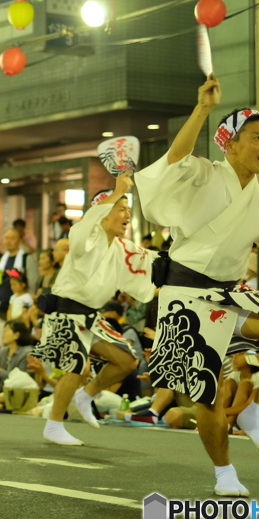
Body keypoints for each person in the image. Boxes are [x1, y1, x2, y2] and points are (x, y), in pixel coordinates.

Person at [136, 76, 259, 497]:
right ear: (230, 144)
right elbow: (174, 157)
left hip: (229, 293)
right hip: (185, 295)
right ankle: (223, 472)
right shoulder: (203, 172)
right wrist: (201, 108)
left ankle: (258, 411)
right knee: (207, 396)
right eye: (257, 137)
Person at [34, 174, 155, 446]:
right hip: (66, 312)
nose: (126, 214)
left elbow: (153, 266)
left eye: (128, 210)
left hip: (90, 315)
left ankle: (86, 394)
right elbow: (88, 223)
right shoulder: (85, 234)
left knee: (127, 361)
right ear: (103, 213)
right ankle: (54, 424)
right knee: (76, 365)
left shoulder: (124, 247)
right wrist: (118, 190)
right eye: (121, 209)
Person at [0, 229, 38, 310]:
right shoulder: (2, 260)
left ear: (19, 241)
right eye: (6, 238)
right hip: (1, 304)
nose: (8, 241)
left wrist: (27, 303)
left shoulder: (27, 258)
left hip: (19, 305)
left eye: (12, 238)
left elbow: (33, 283)